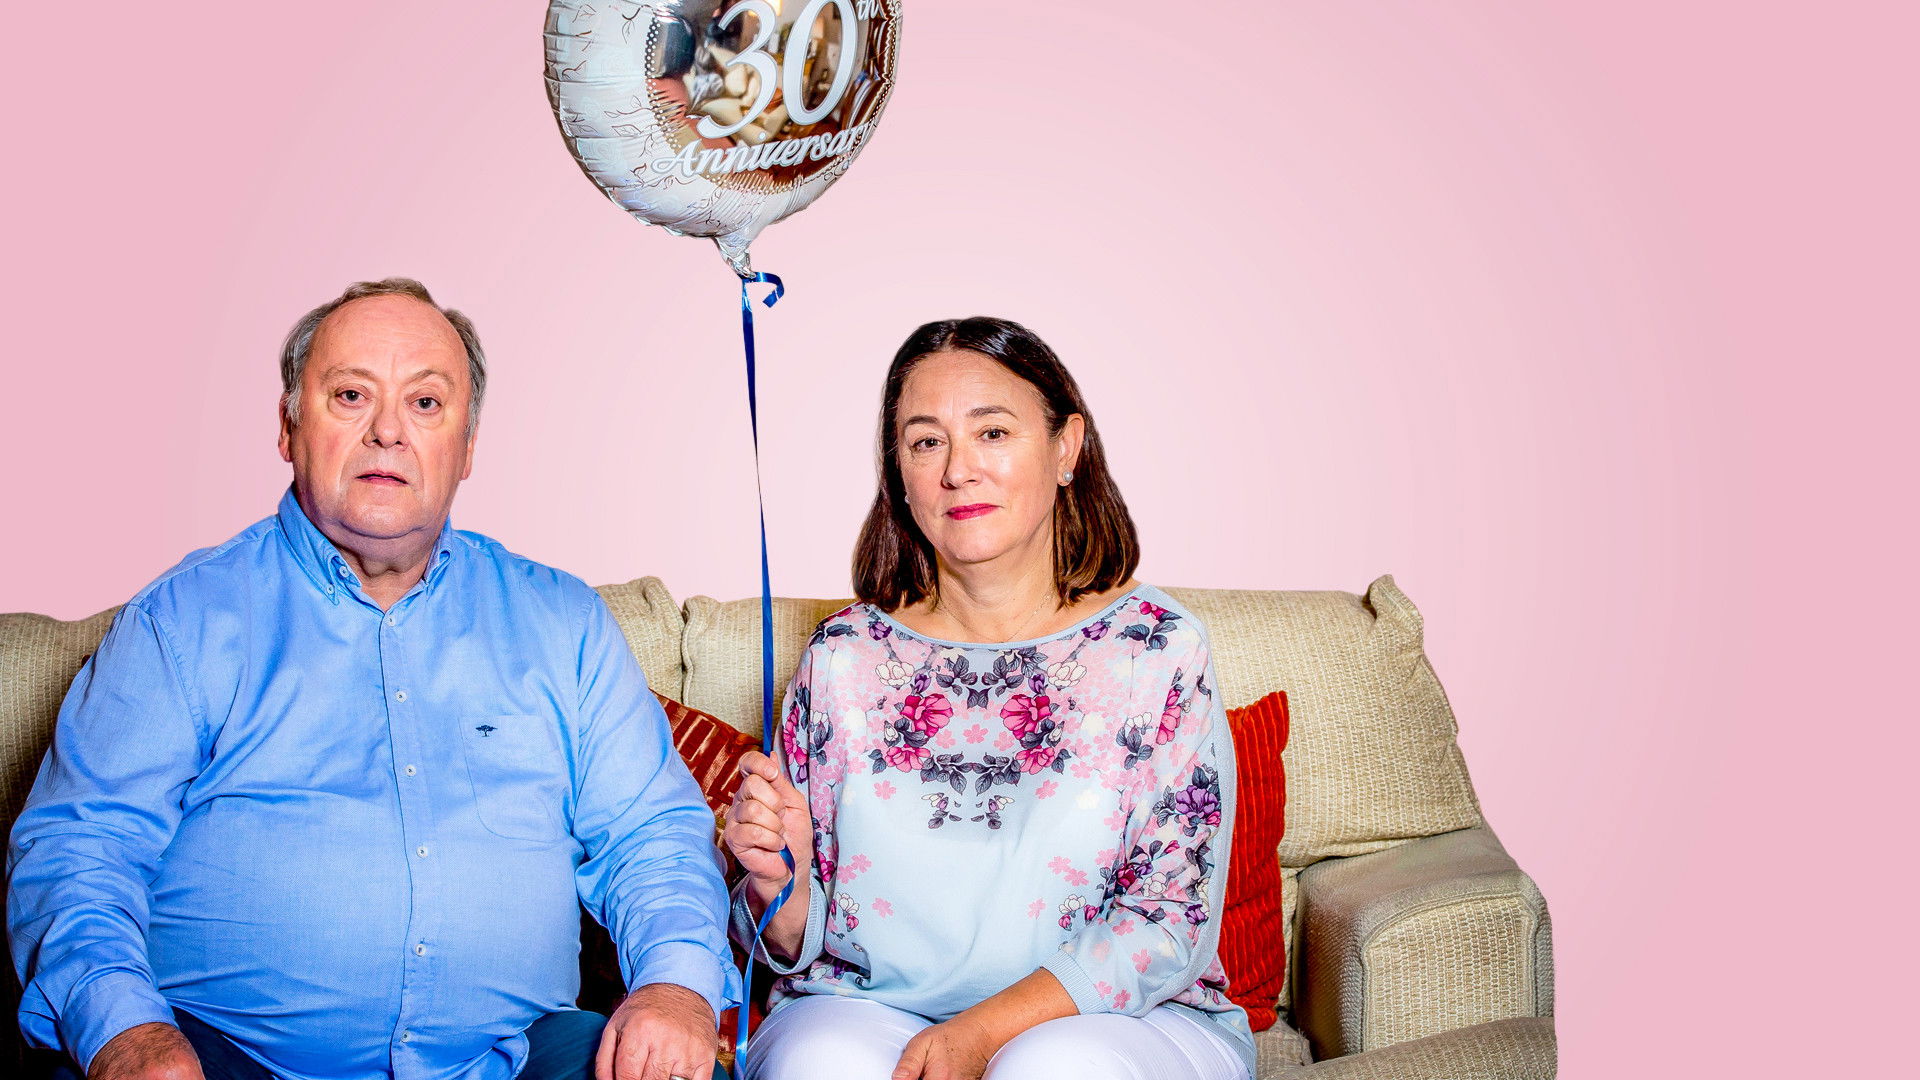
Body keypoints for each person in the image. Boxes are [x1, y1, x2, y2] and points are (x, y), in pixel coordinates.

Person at [8, 279, 738, 1080]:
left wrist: (675, 986)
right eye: (351, 395)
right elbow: (80, 847)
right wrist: (128, 1035)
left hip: (512, 1059)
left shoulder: (564, 624)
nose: (388, 430)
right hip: (229, 1059)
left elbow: (651, 837)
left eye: (425, 403)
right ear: (289, 426)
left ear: (467, 446)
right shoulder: (183, 620)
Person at [722, 317, 1254, 1080]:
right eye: (925, 442)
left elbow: (1167, 921)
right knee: (817, 1062)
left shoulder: (1158, 650)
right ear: (899, 475)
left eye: (993, 433)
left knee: (1054, 1069)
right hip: (870, 1010)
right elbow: (790, 945)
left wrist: (980, 1037)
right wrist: (780, 885)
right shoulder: (841, 658)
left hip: (1120, 1022)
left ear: (1067, 448)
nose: (957, 470)